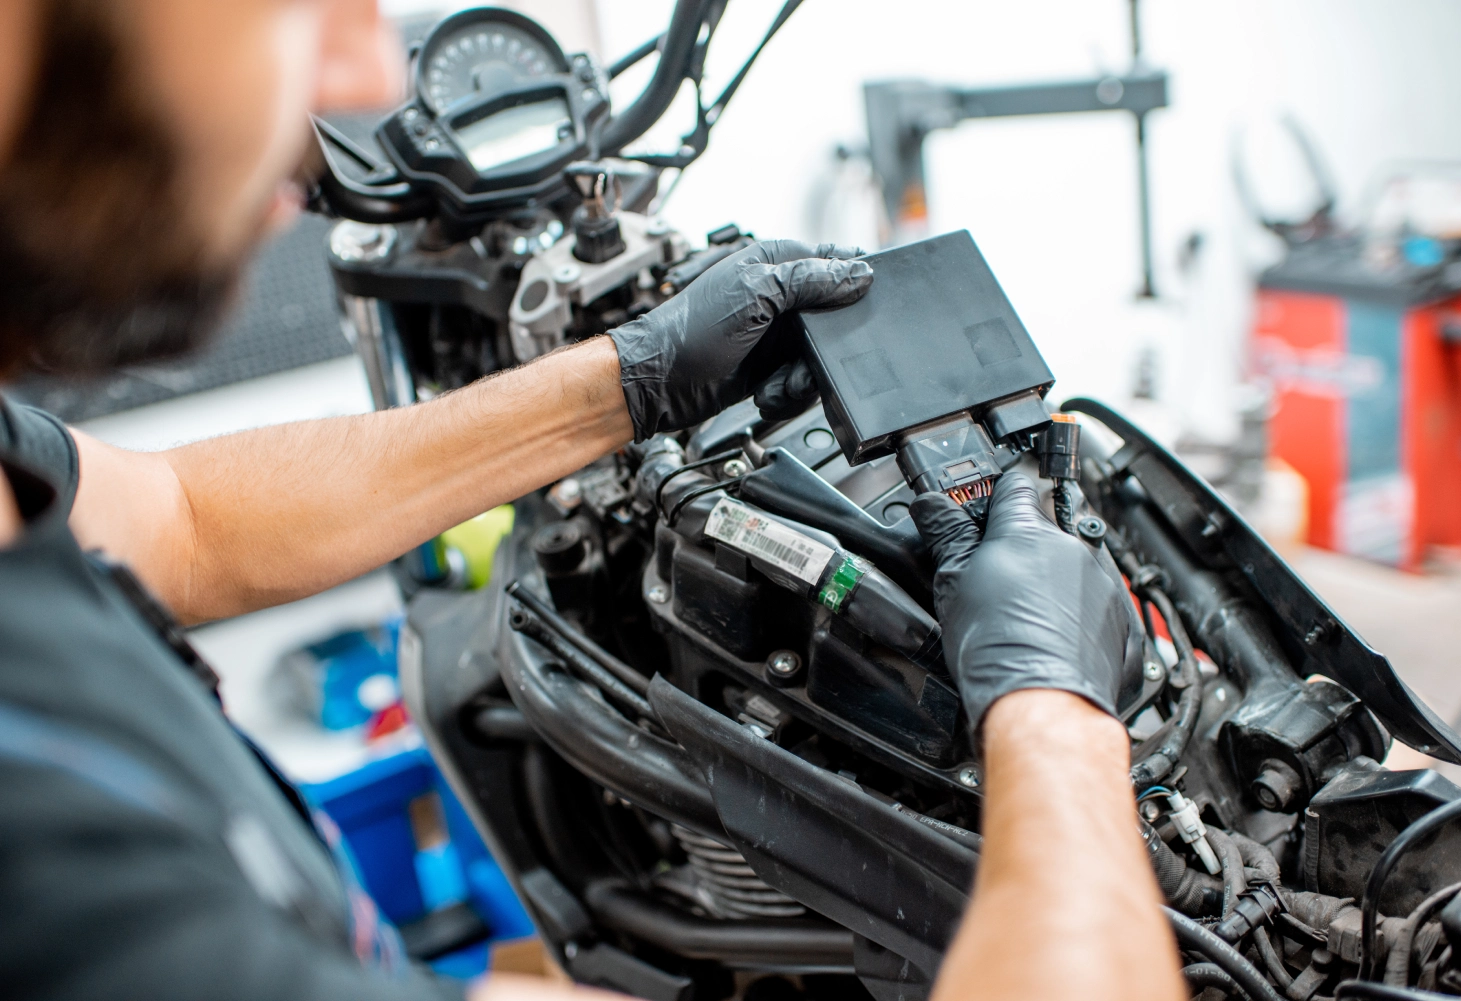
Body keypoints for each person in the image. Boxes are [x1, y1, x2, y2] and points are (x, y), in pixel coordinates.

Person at [0, 1, 1184, 999]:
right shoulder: (74, 878)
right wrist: (1053, 715)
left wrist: (628, 377)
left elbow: (184, 519)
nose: (360, 68)